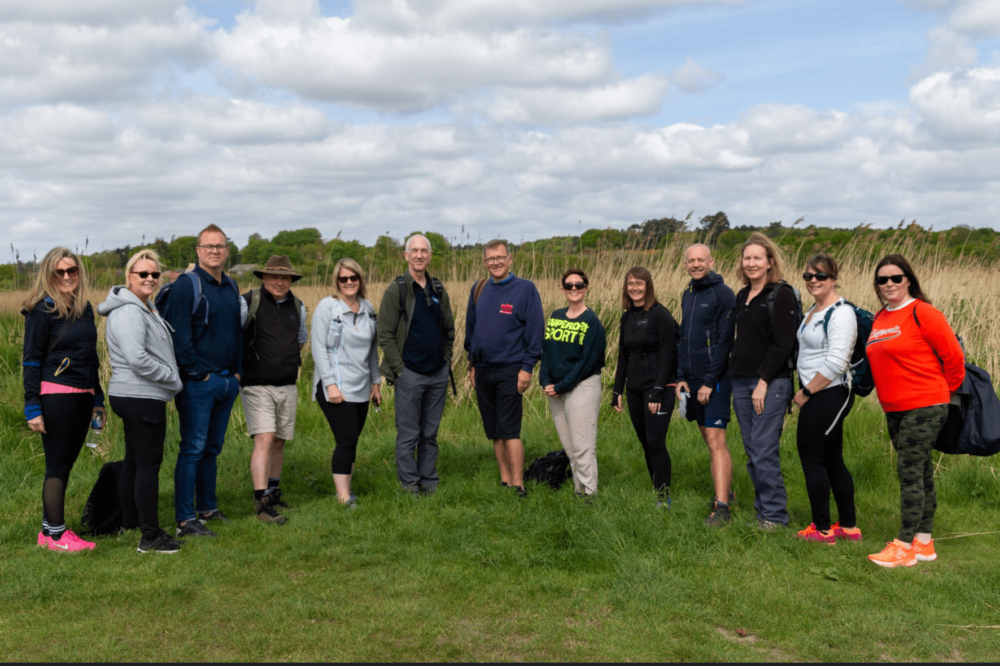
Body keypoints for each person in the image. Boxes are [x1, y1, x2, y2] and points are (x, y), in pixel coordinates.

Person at [866, 254, 964, 567]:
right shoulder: (881, 316)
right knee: (920, 472)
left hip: (924, 404)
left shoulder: (924, 312)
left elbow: (954, 359)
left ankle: (904, 545)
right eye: (883, 279)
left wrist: (939, 393)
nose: (890, 284)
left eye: (896, 278)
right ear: (877, 284)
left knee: (908, 471)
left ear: (908, 279)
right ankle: (924, 543)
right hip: (895, 407)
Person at [98, 249, 184, 554]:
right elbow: (137, 358)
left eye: (154, 274)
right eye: (142, 274)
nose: (149, 279)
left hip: (137, 394)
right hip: (140, 395)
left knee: (135, 460)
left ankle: (132, 520)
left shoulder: (145, 307)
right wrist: (172, 379)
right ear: (129, 277)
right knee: (149, 464)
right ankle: (150, 537)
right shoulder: (130, 312)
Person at [23, 247, 105, 552]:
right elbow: (31, 361)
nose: (67, 276)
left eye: (72, 270)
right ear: (49, 274)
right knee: (57, 465)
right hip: (55, 395)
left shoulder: (84, 308)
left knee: (66, 463)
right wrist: (33, 406)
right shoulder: (40, 310)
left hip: (83, 396)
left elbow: (91, 358)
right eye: (60, 272)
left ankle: (47, 531)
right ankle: (57, 536)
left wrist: (98, 398)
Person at [163, 224, 242, 539]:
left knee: (212, 448)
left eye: (220, 246)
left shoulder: (231, 286)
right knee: (193, 448)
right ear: (197, 251)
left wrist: (237, 373)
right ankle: (185, 519)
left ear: (227, 250)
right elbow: (178, 334)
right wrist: (198, 372)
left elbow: (235, 332)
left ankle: (208, 508)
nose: (215, 251)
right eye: (208, 246)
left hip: (227, 381)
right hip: (199, 383)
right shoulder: (187, 285)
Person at [728, 232, 798, 530]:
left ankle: (775, 516)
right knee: (751, 449)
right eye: (747, 258)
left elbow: (783, 345)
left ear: (770, 262)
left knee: (763, 449)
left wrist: (763, 381)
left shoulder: (781, 294)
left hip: (770, 383)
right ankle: (762, 511)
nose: (752, 263)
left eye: (758, 258)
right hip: (740, 382)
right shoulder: (742, 296)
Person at [377, 234, 456, 495]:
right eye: (415, 250)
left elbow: (449, 329)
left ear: (430, 256)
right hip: (409, 373)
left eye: (424, 251)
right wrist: (400, 369)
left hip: (436, 374)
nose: (420, 255)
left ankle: (429, 482)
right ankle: (410, 485)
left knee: (430, 434)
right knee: (409, 434)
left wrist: (445, 360)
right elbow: (385, 334)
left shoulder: (438, 289)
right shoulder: (396, 289)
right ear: (406, 255)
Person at [465, 239, 544, 497]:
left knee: (510, 429)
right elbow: (472, 330)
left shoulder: (525, 289)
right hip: (483, 369)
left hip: (512, 368)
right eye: (490, 259)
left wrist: (527, 367)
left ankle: (519, 484)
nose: (496, 263)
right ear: (485, 262)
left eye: (500, 257)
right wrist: (472, 365)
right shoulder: (478, 289)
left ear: (510, 259)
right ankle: (504, 480)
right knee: (495, 430)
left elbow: (535, 331)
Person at [791, 254, 860, 544]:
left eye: (820, 276)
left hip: (828, 393)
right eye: (808, 276)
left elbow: (837, 362)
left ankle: (821, 531)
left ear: (833, 278)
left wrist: (806, 393)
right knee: (832, 459)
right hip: (818, 392)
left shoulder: (841, 312)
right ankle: (849, 528)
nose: (814, 281)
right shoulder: (814, 309)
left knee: (812, 459)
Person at [239, 255, 307, 524]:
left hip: (287, 384)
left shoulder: (298, 306)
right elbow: (235, 335)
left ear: (291, 280)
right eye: (274, 276)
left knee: (279, 440)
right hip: (256, 384)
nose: (280, 282)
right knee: (265, 439)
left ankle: (274, 493)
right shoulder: (248, 302)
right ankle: (260, 502)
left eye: (285, 277)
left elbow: (300, 340)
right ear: (263, 277)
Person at [311, 258, 381, 508]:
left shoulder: (369, 309)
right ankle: (342, 498)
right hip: (336, 387)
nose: (349, 282)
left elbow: (373, 350)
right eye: (344, 279)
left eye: (354, 278)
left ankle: (347, 491)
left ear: (361, 280)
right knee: (346, 438)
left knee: (352, 439)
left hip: (362, 387)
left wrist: (376, 382)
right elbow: (318, 348)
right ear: (337, 282)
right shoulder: (327, 307)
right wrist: (330, 384)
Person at [676, 243, 737, 525]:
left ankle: (722, 507)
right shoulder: (687, 294)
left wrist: (710, 381)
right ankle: (727, 490)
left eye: (701, 260)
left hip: (715, 380)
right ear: (686, 264)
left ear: (711, 261)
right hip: (693, 379)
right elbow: (684, 339)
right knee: (708, 439)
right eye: (691, 261)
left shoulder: (723, 294)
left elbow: (725, 341)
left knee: (716, 441)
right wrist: (681, 377)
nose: (696, 264)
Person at [612, 266, 679, 507]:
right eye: (630, 284)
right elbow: (623, 355)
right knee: (644, 441)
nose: (635, 288)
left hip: (658, 387)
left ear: (648, 286)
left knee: (655, 442)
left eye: (639, 283)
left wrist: (659, 389)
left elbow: (668, 355)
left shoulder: (660, 314)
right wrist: (617, 389)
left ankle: (664, 496)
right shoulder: (627, 316)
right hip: (634, 389)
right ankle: (657, 488)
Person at [540, 268, 606, 499]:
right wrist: (546, 381)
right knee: (569, 446)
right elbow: (546, 351)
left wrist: (561, 386)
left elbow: (587, 363)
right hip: (557, 388)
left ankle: (589, 494)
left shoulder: (592, 321)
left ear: (586, 288)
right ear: (563, 290)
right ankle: (579, 490)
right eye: (569, 285)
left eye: (579, 285)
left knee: (582, 445)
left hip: (582, 387)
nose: (574, 289)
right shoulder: (555, 316)